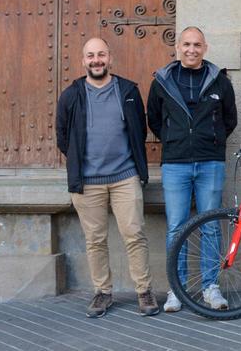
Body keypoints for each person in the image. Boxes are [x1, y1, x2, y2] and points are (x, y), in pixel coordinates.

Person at [55, 38, 159, 318]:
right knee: (95, 239)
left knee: (134, 234)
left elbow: (138, 130)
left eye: (101, 54)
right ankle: (103, 292)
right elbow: (63, 137)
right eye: (90, 55)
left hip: (125, 177)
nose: (96, 60)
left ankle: (144, 291)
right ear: (83, 60)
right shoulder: (71, 95)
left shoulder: (127, 90)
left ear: (110, 58)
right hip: (87, 182)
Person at [147, 26, 237, 313]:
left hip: (210, 162)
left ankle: (210, 287)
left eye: (197, 44)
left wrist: (210, 140)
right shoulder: (162, 81)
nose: (191, 50)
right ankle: (178, 288)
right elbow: (154, 121)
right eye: (186, 44)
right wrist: (176, 140)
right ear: (178, 46)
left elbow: (229, 120)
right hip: (175, 164)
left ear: (205, 48)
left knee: (210, 225)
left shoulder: (220, 82)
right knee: (177, 228)